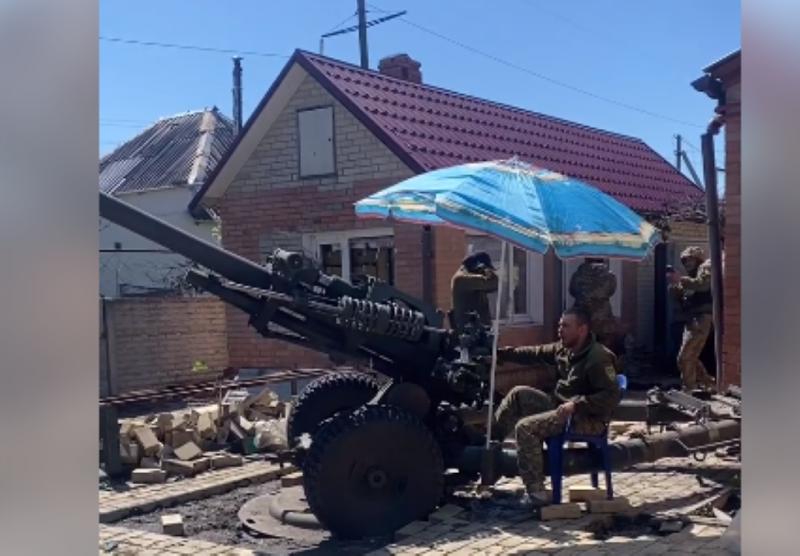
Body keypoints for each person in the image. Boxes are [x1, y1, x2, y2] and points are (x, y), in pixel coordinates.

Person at [494, 307, 621, 507]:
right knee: (518, 394)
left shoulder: (598, 358)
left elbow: (611, 396)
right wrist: (502, 354)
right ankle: (489, 450)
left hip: (587, 419)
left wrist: (577, 404)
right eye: (560, 325)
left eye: (566, 326)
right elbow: (535, 353)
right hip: (561, 407)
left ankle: (537, 493)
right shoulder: (564, 349)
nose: (560, 330)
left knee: (525, 428)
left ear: (582, 329)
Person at [667, 246, 716, 392]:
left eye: (690, 260)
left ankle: (689, 389)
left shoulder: (705, 267)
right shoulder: (691, 277)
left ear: (697, 259)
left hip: (701, 319)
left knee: (685, 357)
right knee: (690, 357)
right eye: (684, 261)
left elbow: (703, 285)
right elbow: (684, 298)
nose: (687, 263)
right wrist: (675, 287)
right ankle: (709, 383)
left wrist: (681, 279)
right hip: (692, 319)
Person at [569, 258, 618, 350]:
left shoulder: (577, 275)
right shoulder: (610, 276)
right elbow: (611, 291)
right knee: (603, 350)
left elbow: (572, 291)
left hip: (582, 319)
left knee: (582, 348)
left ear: (586, 259)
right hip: (603, 320)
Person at [450, 251, 498, 331]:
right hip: (470, 331)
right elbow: (493, 283)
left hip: (477, 329)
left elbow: (493, 288)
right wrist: (487, 271)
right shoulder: (463, 278)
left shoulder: (468, 277)